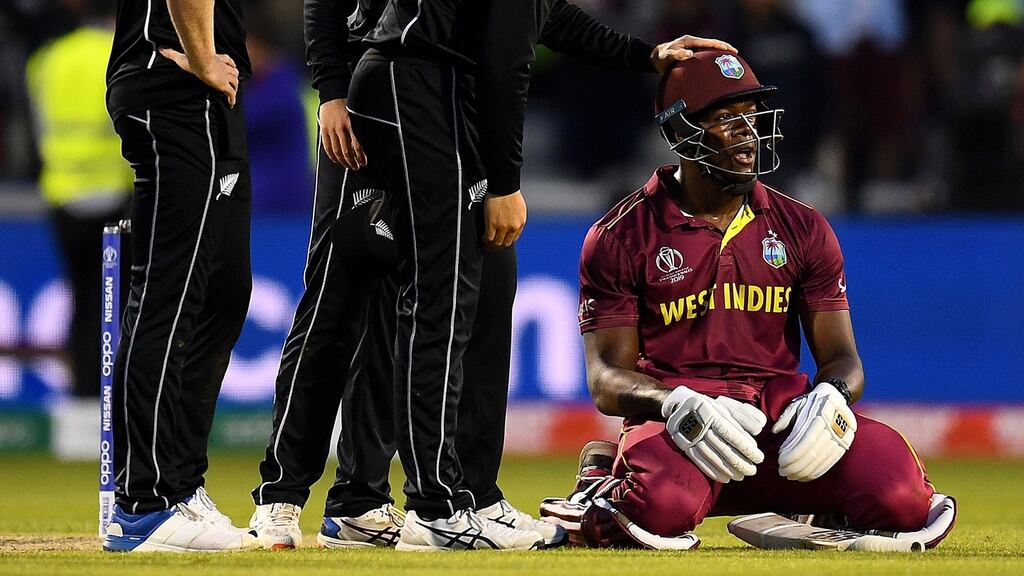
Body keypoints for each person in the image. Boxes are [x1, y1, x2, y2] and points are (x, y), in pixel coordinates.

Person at [248, 0, 738, 551]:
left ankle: (417, 498)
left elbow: (540, 17)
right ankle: (295, 499)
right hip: (400, 94)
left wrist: (645, 54)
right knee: (352, 300)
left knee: (471, 295)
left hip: (451, 100)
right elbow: (509, 58)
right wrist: (332, 89)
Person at [538, 50, 957, 549]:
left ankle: (804, 508)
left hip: (781, 426)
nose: (747, 132)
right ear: (679, 135)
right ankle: (603, 477)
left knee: (904, 498)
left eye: (751, 116)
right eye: (724, 118)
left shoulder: (803, 226)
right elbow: (606, 380)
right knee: (657, 513)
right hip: (682, 434)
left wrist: (831, 397)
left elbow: (844, 359)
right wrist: (677, 403)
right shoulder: (621, 235)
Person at [102, 0, 257, 552]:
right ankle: (142, 502)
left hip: (209, 93)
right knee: (168, 298)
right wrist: (202, 56)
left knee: (224, 290)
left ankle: (180, 484)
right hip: (176, 85)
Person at [25, 0, 132, 459]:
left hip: (63, 195)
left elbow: (36, 126)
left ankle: (85, 399)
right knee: (126, 302)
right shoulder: (120, 51)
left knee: (83, 301)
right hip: (115, 192)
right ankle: (122, 406)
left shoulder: (46, 60)